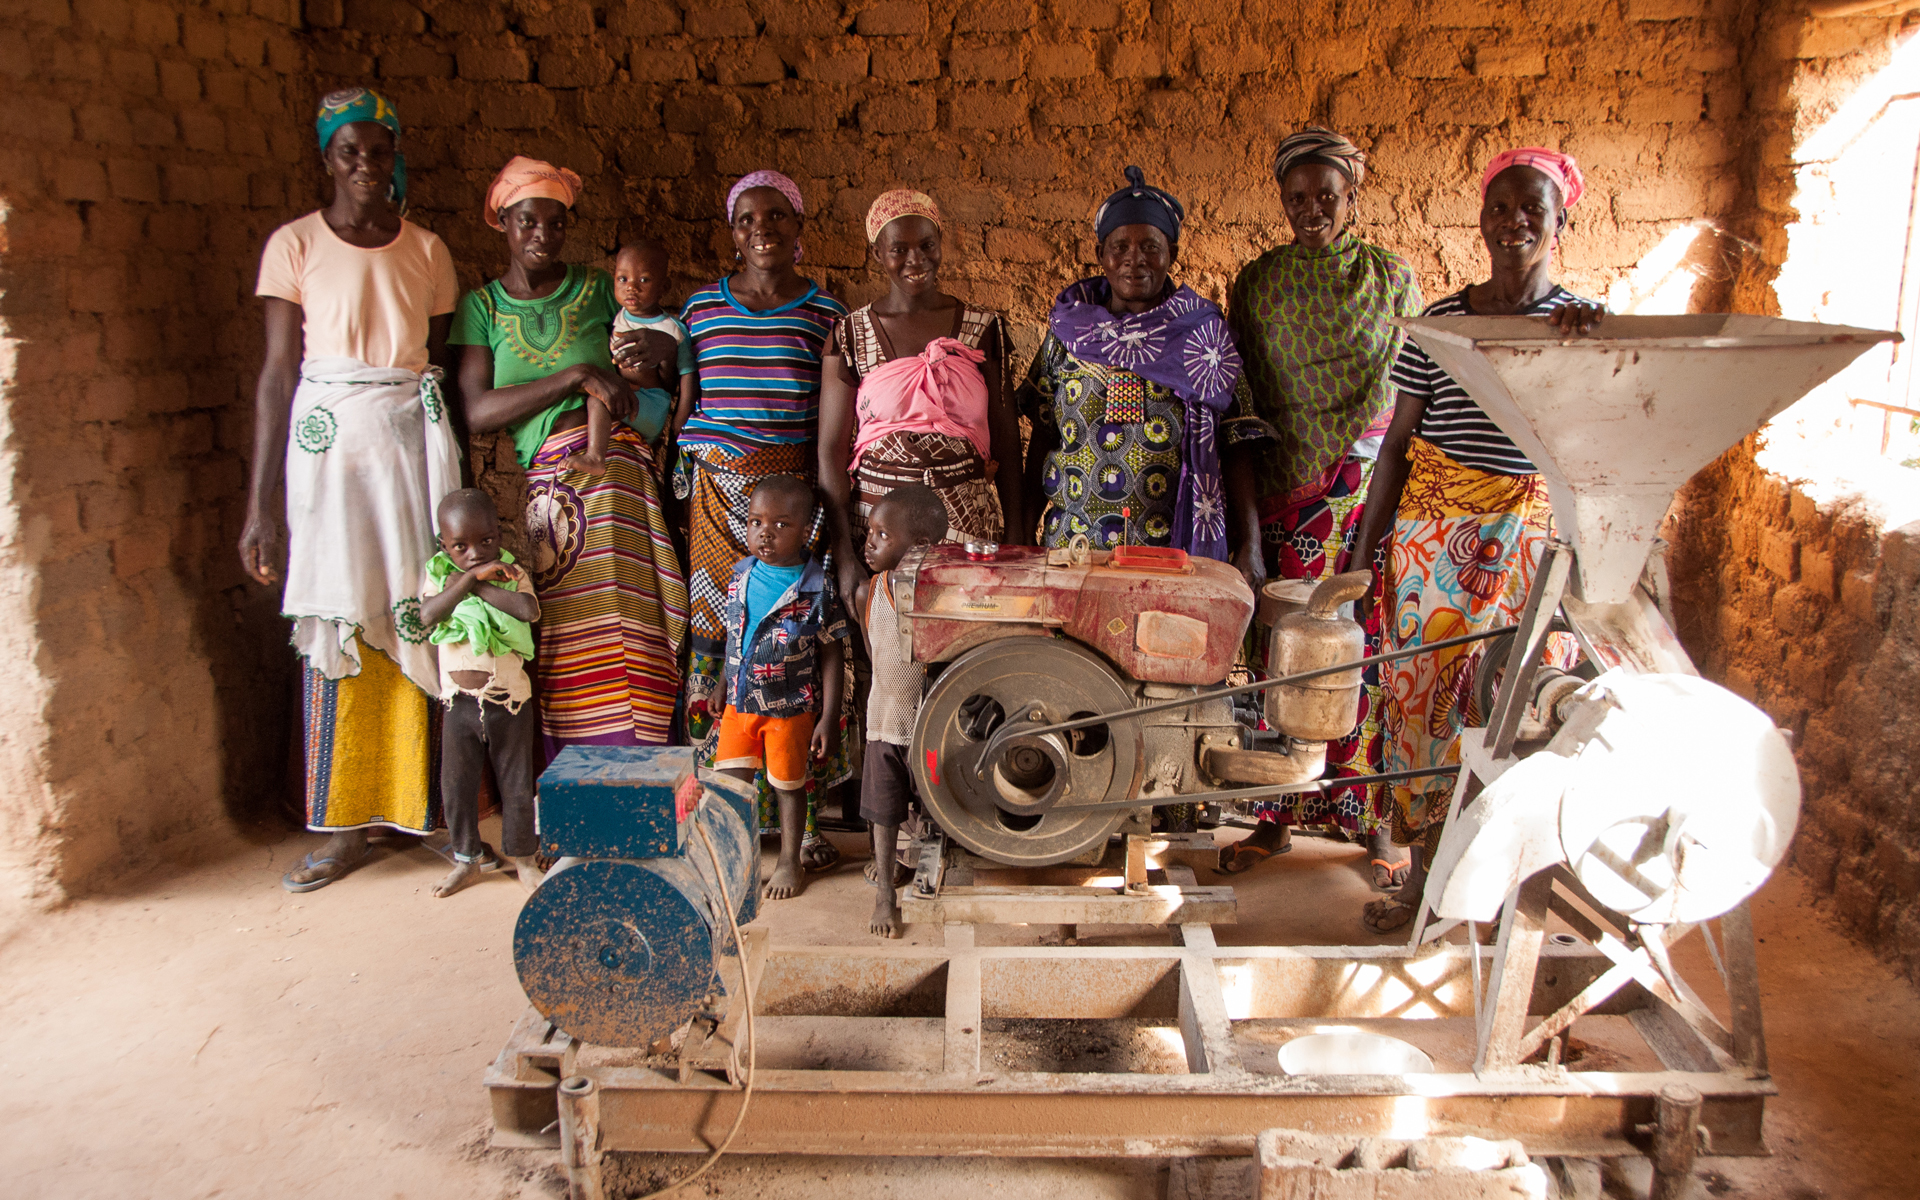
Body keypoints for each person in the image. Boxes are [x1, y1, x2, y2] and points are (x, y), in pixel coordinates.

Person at [1347, 148, 1603, 934]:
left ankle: (1498, 895)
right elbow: (1395, 446)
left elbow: (1591, 447)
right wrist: (1364, 550)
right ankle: (1426, 888)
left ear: (1562, 220)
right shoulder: (1443, 325)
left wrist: (1587, 344)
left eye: (1533, 207)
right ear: (1482, 219)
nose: (1514, 220)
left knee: (1510, 710)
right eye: (1500, 207)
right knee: (1419, 707)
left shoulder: (1579, 323)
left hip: (1524, 540)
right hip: (1431, 540)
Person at [244, 87, 463, 893]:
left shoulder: (428, 251)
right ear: (327, 157)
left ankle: (420, 809)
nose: (364, 164)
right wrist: (261, 505)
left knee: (420, 608)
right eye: (349, 151)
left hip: (406, 448)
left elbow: (430, 368)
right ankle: (341, 824)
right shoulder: (294, 246)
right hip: (327, 451)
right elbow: (277, 375)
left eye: (377, 149)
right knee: (339, 614)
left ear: (394, 153)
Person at [1221, 129, 1424, 884]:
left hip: (1366, 497)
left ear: (1353, 196)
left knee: (1361, 654)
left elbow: (1410, 393)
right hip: (1287, 495)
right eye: (1296, 197)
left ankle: (1371, 823)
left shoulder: (1393, 280)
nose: (1311, 210)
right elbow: (1242, 396)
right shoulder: (1258, 284)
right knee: (1289, 658)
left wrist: (1381, 501)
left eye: (1326, 196)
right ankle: (1272, 817)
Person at [453, 156, 689, 755]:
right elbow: (478, 411)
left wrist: (641, 378)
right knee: (568, 632)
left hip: (621, 466)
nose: (542, 235)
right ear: (502, 222)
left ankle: (644, 769)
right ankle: (578, 776)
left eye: (555, 223)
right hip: (553, 489)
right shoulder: (481, 307)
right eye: (528, 221)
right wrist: (578, 374)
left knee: (634, 623)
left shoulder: (597, 288)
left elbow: (647, 369)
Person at [677, 169, 851, 870]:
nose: (762, 231)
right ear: (732, 232)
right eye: (747, 219)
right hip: (721, 499)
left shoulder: (824, 314)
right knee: (721, 635)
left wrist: (825, 508)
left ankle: (803, 820)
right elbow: (684, 399)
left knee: (799, 635)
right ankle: (719, 809)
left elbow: (832, 415)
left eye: (776, 217)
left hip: (793, 500)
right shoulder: (699, 310)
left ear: (799, 228)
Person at [1018, 166, 1272, 587]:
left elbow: (1235, 444)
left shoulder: (1204, 336)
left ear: (1171, 253)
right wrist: (1021, 534)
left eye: (1150, 247)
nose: (1134, 259)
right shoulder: (1067, 333)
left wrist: (1251, 546)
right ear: (1101, 255)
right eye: (1120, 246)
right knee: (1070, 656)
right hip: (1073, 552)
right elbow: (1043, 432)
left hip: (1173, 555)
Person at [818, 189, 1027, 604]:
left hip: (966, 520)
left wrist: (1017, 534)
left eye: (927, 246)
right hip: (876, 526)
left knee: (961, 651)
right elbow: (830, 452)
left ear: (940, 246)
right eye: (899, 249)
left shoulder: (983, 328)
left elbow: (1005, 434)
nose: (916, 260)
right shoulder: (850, 335)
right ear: (877, 254)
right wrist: (843, 553)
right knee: (884, 652)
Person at [716, 475, 849, 900]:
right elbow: (735, 634)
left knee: (789, 785)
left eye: (780, 525)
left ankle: (789, 859)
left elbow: (832, 653)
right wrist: (722, 681)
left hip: (789, 708)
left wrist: (827, 716)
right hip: (739, 703)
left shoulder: (816, 589)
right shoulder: (740, 577)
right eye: (756, 522)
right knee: (731, 787)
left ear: (806, 529)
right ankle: (737, 861)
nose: (764, 534)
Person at [419, 489, 542, 897]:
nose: (475, 552)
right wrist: (466, 580)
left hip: (510, 702)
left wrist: (472, 583)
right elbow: (429, 614)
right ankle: (466, 859)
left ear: (499, 536)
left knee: (517, 785)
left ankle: (523, 859)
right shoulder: (438, 575)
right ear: (444, 546)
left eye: (486, 542)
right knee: (457, 786)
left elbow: (526, 611)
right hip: (459, 706)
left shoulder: (511, 573)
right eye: (461, 546)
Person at [852, 485, 948, 938]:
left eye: (883, 534)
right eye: (870, 532)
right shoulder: (867, 592)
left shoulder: (941, 599)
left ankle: (936, 874)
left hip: (927, 727)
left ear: (921, 547)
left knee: (938, 806)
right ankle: (885, 895)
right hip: (884, 723)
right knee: (884, 812)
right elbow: (878, 659)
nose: (869, 542)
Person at [565, 239, 692, 476]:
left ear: (665, 287)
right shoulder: (618, 317)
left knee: (596, 400)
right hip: (630, 397)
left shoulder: (672, 328)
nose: (631, 287)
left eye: (643, 279)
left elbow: (687, 372)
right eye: (622, 279)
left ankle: (595, 457)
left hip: (650, 403)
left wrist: (680, 417)